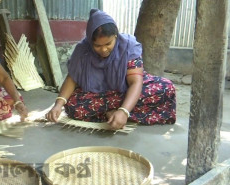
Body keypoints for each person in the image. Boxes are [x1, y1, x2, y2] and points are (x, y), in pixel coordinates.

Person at [46, 9, 176, 129]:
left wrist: (124, 110)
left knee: (166, 87)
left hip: (126, 90)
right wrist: (58, 104)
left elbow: (135, 82)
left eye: (108, 44)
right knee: (73, 104)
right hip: (99, 94)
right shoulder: (82, 50)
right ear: (90, 41)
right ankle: (114, 114)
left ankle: (118, 114)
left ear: (116, 36)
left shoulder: (128, 46)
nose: (103, 49)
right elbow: (72, 79)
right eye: (97, 45)